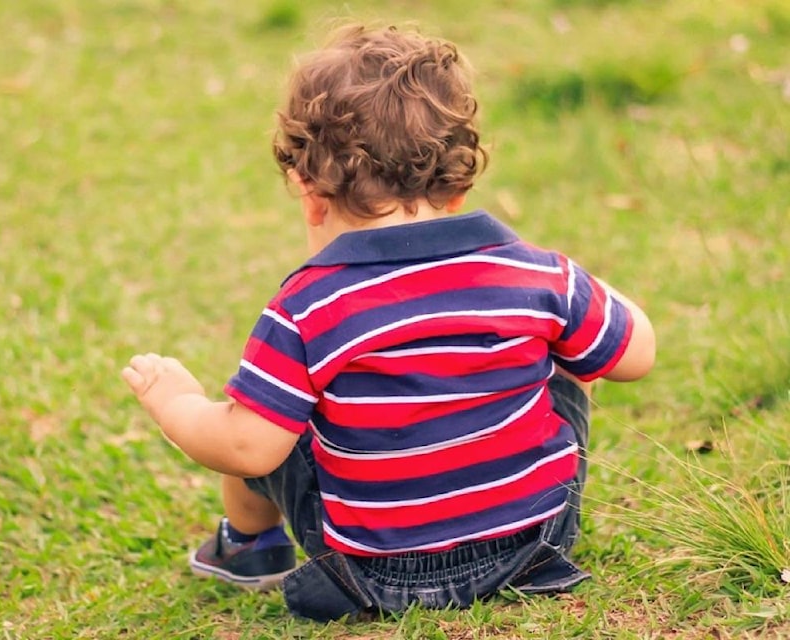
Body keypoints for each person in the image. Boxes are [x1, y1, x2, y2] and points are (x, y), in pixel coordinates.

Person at [122, 23, 656, 622]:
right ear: (458, 185)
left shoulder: (307, 306)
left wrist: (177, 403)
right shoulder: (534, 274)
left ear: (308, 192)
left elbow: (247, 447)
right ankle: (509, 496)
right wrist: (575, 285)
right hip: (536, 544)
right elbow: (635, 356)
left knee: (269, 416)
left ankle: (249, 547)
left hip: (375, 571)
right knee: (568, 357)